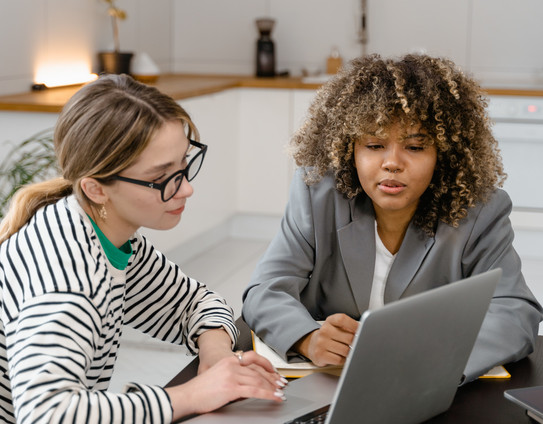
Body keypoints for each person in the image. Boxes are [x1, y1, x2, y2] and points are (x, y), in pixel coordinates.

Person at [0, 74, 287, 424]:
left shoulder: (111, 237)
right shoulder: (68, 277)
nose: (185, 190)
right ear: (96, 189)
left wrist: (218, 356)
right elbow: (47, 414)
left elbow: (195, 301)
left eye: (184, 164)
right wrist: (193, 394)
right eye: (163, 177)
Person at [242, 53, 543, 384]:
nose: (392, 163)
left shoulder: (479, 210)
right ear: (349, 150)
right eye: (374, 144)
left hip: (425, 391)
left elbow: (515, 313)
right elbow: (265, 289)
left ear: (443, 154)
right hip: (327, 384)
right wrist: (307, 339)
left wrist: (435, 362)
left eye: (415, 147)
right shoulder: (318, 194)